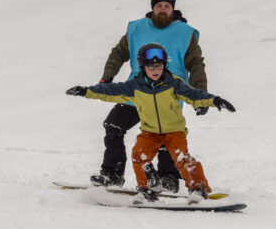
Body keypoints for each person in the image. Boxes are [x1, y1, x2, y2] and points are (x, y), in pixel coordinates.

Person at [67, 44, 235, 203]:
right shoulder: (135, 86)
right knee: (139, 155)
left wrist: (214, 101)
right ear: (143, 67)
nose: (156, 70)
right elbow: (110, 91)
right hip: (150, 132)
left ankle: (198, 189)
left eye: (159, 66)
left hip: (174, 132)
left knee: (182, 158)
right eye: (151, 67)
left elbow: (194, 94)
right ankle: (147, 189)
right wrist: (86, 91)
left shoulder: (173, 83)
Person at [90, 0, 207, 192]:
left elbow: (196, 65)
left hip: (167, 96)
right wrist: (107, 77)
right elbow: (118, 53)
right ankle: (112, 174)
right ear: (153, 7)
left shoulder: (185, 34)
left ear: (173, 9)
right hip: (136, 92)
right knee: (113, 126)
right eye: (159, 5)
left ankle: (168, 178)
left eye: (167, 6)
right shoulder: (136, 29)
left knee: (165, 136)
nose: (163, 9)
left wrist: (201, 95)